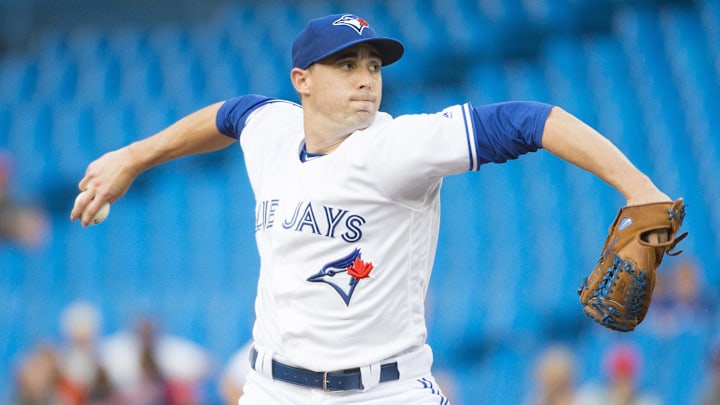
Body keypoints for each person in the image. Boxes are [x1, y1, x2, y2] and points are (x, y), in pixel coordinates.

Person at [70, 13, 676, 404]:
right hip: (271, 388)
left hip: (384, 392)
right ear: (301, 79)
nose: (366, 77)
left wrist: (637, 187)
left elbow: (532, 120)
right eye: (346, 64)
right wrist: (132, 156)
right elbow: (229, 114)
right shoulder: (271, 129)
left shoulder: (398, 147)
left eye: (373, 65)